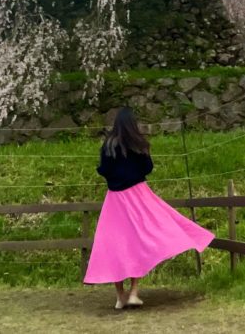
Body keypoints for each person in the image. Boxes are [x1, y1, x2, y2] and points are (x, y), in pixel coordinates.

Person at [84, 108, 214, 309]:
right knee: (141, 238)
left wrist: (112, 174)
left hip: (116, 199)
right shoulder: (139, 144)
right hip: (138, 194)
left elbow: (104, 170)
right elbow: (148, 168)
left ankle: (120, 296)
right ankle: (134, 292)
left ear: (116, 124)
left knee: (114, 243)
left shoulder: (108, 145)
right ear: (133, 124)